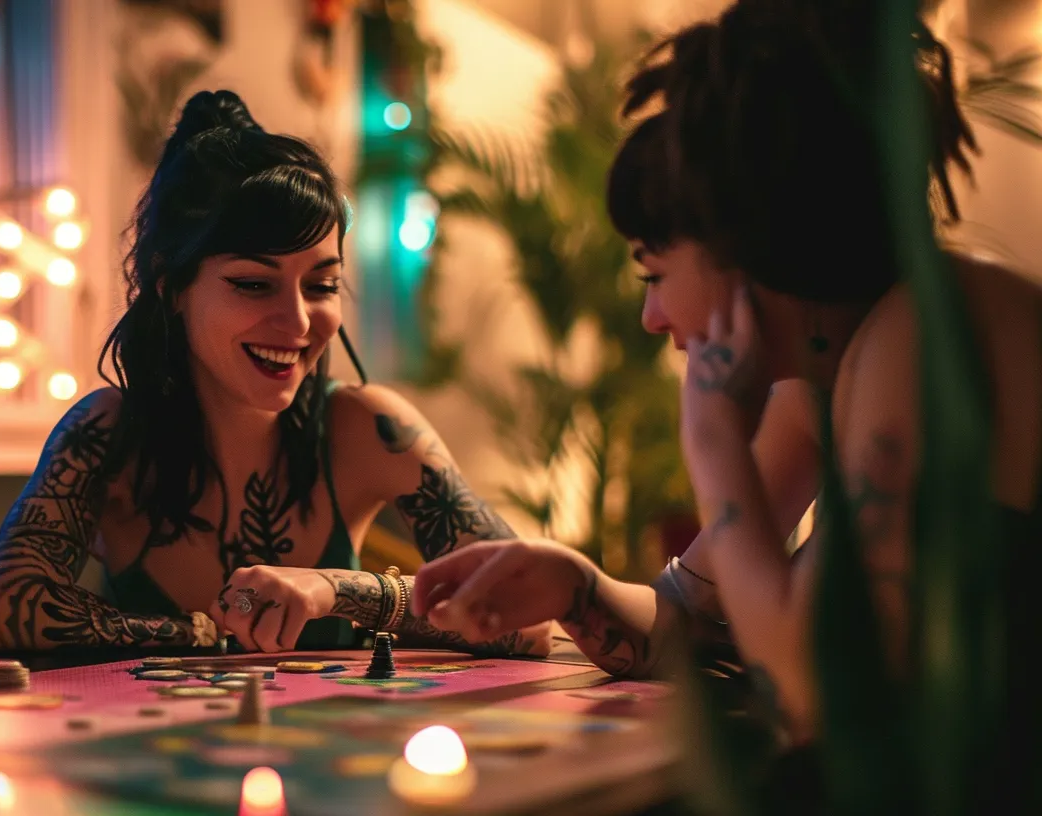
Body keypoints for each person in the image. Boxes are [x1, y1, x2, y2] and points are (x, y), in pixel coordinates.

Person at [415, 0, 1038, 740]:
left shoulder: (920, 330)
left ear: (734, 244)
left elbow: (820, 694)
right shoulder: (823, 383)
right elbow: (689, 614)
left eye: (653, 273)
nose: (651, 317)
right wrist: (574, 587)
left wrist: (713, 442)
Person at [0, 90, 551, 656]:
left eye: (322, 285)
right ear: (169, 285)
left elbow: (531, 616)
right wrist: (198, 634)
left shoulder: (368, 426)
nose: (298, 320)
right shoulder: (108, 435)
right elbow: (7, 608)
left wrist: (340, 591)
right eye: (254, 283)